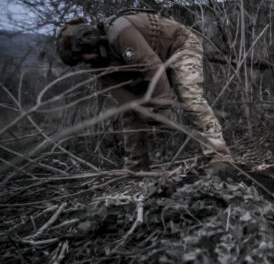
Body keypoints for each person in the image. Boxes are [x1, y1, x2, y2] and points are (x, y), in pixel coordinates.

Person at [55, 10, 235, 171]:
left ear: (88, 42)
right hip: (149, 63)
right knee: (130, 113)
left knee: (190, 97)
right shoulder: (98, 64)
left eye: (83, 55)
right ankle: (137, 168)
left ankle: (220, 156)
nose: (85, 61)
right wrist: (143, 110)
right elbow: (123, 97)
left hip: (179, 47)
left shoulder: (120, 32)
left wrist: (162, 110)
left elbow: (153, 67)